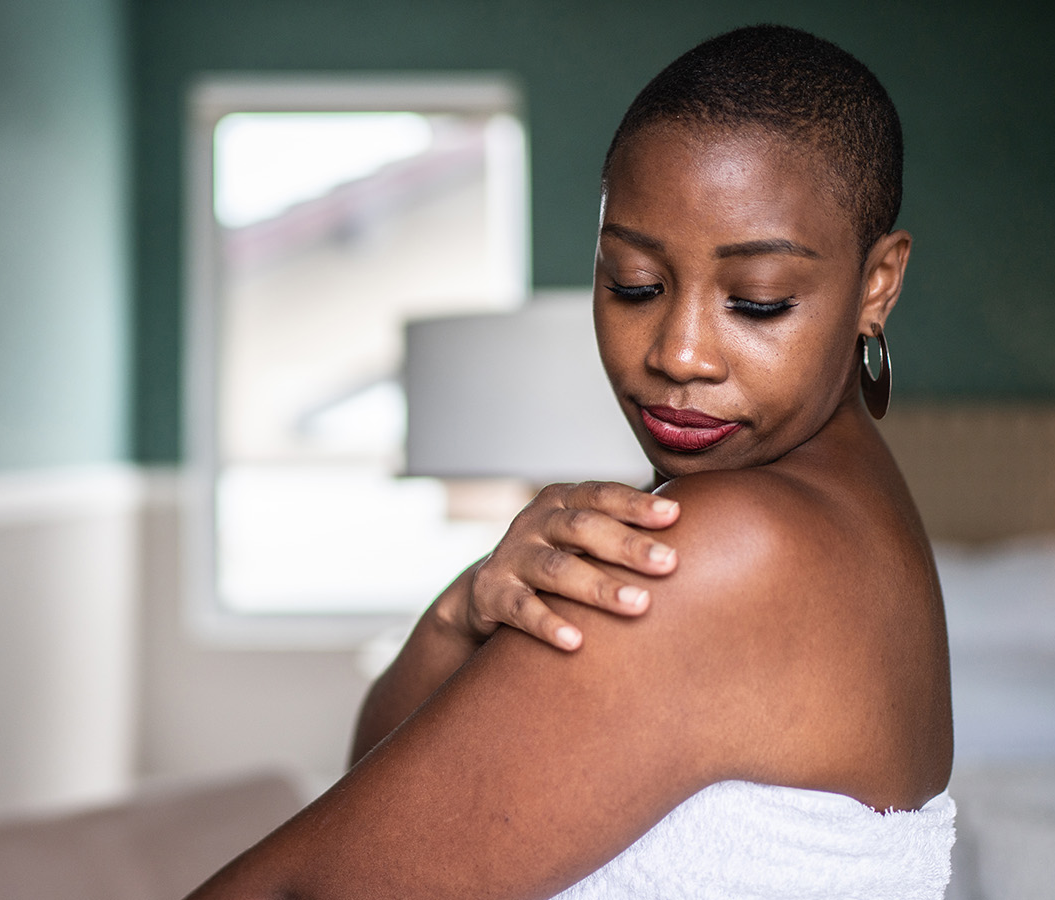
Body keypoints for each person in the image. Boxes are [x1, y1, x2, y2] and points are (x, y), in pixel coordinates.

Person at [187, 24, 954, 899]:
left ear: (877, 284)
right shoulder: (851, 506)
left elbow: (300, 886)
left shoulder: (729, 546)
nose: (680, 352)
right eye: (633, 282)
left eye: (757, 301)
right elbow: (378, 794)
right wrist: (461, 612)